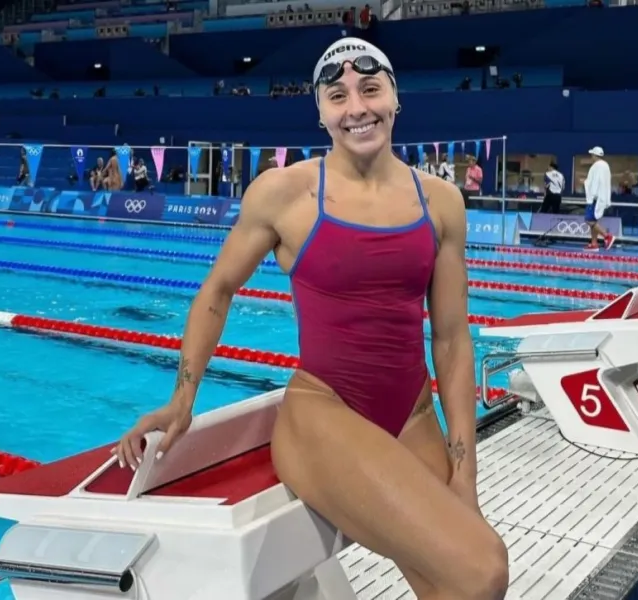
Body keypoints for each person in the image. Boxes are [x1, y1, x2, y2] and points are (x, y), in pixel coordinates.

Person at [114, 37, 510, 599]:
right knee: (485, 566)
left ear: (395, 98)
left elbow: (450, 339)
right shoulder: (285, 194)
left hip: (412, 415)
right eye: (338, 95)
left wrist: (464, 471)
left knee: (462, 588)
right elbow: (217, 289)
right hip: (324, 414)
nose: (357, 108)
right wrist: (183, 398)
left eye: (371, 89)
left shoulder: (441, 201)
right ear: (321, 113)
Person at [584, 146, 615, 251]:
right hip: (601, 197)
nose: (591, 157)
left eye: (592, 155)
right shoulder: (605, 165)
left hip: (595, 197)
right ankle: (594, 244)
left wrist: (592, 194)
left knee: (589, 220)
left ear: (594, 155)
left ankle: (607, 236)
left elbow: (596, 182)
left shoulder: (597, 166)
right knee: (594, 220)